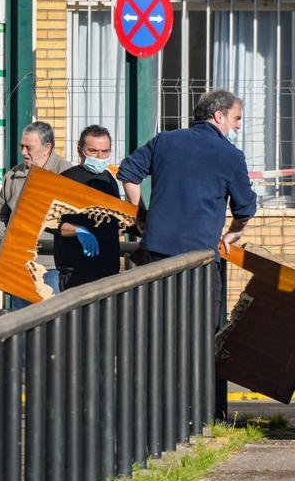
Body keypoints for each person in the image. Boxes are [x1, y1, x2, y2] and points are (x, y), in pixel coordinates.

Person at [117, 88, 257, 326]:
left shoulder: (165, 140)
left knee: (154, 326)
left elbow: (128, 174)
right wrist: (235, 231)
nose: (238, 126)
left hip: (155, 253)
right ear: (219, 116)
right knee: (198, 332)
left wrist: (141, 213)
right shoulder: (231, 155)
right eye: (237, 118)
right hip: (198, 258)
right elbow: (244, 208)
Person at [0, 121, 73, 306]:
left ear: (47, 148)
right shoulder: (12, 176)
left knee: (50, 325)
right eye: (21, 146)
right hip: (18, 265)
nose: (23, 152)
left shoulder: (67, 173)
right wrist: (7, 234)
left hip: (51, 265)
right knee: (20, 324)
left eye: (29, 147)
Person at [54, 125, 123, 290]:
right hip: (77, 273)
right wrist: (78, 230)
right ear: (80, 150)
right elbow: (52, 222)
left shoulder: (109, 179)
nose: (100, 157)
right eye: (93, 151)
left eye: (105, 151)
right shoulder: (66, 180)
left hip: (108, 270)